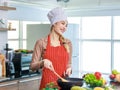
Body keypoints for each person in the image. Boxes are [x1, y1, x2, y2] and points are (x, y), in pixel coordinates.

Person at [30, 7, 72, 90]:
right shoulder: (41, 42)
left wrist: (69, 69)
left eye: (66, 25)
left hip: (63, 85)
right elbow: (32, 66)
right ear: (54, 23)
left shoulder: (68, 43)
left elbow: (69, 63)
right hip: (47, 86)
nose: (65, 27)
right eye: (62, 23)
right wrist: (43, 62)